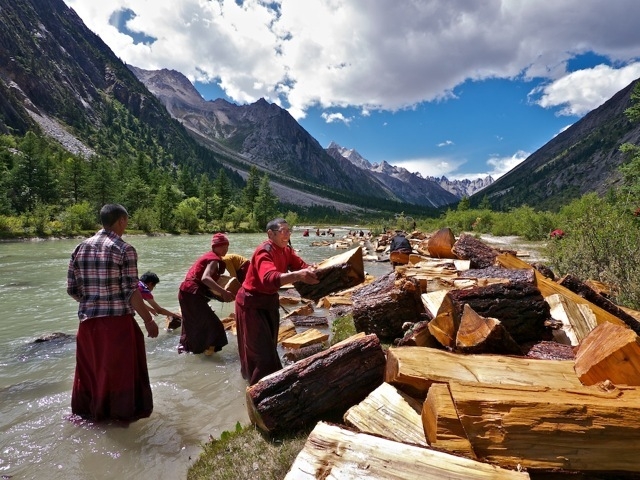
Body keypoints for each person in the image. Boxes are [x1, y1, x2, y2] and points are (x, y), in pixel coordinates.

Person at [66, 204, 158, 423]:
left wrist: (92, 301)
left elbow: (72, 290)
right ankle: (120, 419)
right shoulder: (124, 249)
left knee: (92, 372)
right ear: (121, 221)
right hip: (117, 324)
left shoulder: (80, 248)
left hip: (88, 324)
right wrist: (148, 319)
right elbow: (130, 291)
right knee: (121, 373)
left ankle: (90, 415)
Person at [235, 218, 319, 385]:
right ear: (270, 234)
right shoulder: (264, 251)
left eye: (289, 231)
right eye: (283, 231)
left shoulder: (286, 250)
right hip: (250, 304)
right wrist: (297, 276)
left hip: (269, 302)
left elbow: (300, 265)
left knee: (269, 347)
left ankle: (256, 383)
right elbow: (268, 279)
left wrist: (312, 269)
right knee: (261, 353)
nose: (287, 234)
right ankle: (262, 392)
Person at [178, 233, 235, 355]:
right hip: (192, 293)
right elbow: (205, 279)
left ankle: (193, 351)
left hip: (186, 292)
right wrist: (223, 292)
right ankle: (208, 355)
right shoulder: (214, 259)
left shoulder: (208, 256)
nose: (226, 249)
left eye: (227, 246)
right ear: (215, 247)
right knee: (215, 326)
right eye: (223, 246)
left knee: (193, 324)